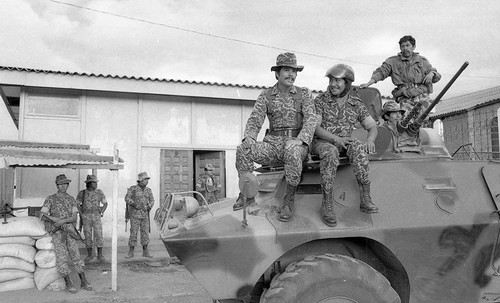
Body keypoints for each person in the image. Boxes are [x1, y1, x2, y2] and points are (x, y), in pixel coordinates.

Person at [233, 52, 317, 222]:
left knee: (293, 154)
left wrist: (301, 140)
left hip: (296, 144)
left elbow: (311, 119)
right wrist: (249, 137)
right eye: (287, 70)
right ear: (277, 73)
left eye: (294, 71)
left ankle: (289, 199)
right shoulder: (267, 95)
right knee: (244, 149)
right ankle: (247, 193)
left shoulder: (304, 94)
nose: (291, 75)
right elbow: (255, 119)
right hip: (272, 145)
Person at [312, 64, 379, 227]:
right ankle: (327, 204)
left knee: (358, 147)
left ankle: (365, 198)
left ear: (347, 83)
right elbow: (316, 128)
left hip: (344, 142)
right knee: (331, 152)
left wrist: (370, 140)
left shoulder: (356, 103)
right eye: (331, 80)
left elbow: (372, 127)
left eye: (338, 81)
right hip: (322, 143)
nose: (333, 84)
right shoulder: (320, 100)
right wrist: (336, 139)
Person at [360, 35, 441, 113]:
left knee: (423, 120)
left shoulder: (422, 61)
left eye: (408, 45)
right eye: (403, 46)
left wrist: (431, 74)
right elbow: (381, 73)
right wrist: (368, 83)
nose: (405, 48)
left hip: (422, 96)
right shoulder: (393, 61)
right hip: (405, 97)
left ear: (413, 47)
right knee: (405, 121)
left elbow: (434, 73)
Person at [39, 174, 92, 294]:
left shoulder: (71, 199)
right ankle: (68, 282)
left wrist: (63, 220)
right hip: (58, 233)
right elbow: (42, 215)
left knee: (76, 256)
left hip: (70, 231)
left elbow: (74, 218)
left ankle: (83, 280)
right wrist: (55, 220)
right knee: (62, 258)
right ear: (57, 185)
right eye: (61, 184)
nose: (63, 186)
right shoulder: (50, 199)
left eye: (65, 184)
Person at [76, 174, 108, 263]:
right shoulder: (82, 193)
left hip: (96, 216)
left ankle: (100, 255)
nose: (96, 184)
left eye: (96, 182)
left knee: (99, 235)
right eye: (94, 182)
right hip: (86, 217)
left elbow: (105, 203)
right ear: (89, 183)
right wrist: (81, 214)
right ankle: (89, 254)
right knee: (88, 235)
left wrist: (101, 211)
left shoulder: (99, 192)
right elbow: (77, 204)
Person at [124, 172, 155, 258]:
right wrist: (134, 204)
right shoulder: (133, 189)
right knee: (133, 232)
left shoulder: (148, 190)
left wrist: (149, 206)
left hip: (145, 215)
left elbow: (152, 200)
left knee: (145, 233)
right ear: (140, 180)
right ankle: (131, 251)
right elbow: (126, 198)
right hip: (135, 215)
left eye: (147, 180)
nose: (147, 181)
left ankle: (145, 251)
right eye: (145, 179)